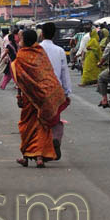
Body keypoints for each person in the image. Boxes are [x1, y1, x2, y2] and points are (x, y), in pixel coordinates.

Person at [11, 29, 68, 167]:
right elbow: (47, 74)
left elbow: (20, 79)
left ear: (25, 40)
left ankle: (27, 156)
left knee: (27, 127)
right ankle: (39, 158)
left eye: (21, 38)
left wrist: (19, 95)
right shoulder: (40, 53)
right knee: (42, 127)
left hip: (29, 98)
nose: (19, 40)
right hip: (43, 97)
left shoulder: (21, 56)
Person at [38, 22, 72, 158]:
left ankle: (41, 151)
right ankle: (55, 139)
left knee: (39, 121)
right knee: (55, 118)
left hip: (39, 90)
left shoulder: (37, 49)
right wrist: (67, 91)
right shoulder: (59, 50)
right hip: (56, 91)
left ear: (42, 34)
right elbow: (64, 72)